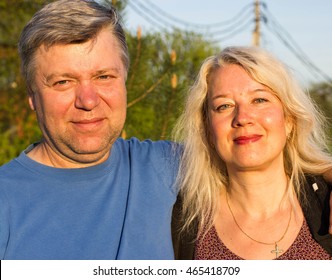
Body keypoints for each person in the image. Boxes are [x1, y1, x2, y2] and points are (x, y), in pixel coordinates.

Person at [0, 0, 180, 260]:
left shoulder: (167, 167)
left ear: (125, 81)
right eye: (63, 81)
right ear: (32, 97)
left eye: (104, 76)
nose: (88, 100)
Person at [172, 46, 332, 260]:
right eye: (224, 106)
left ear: (289, 120)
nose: (243, 117)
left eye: (259, 100)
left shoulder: (324, 201)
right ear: (208, 130)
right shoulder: (183, 219)